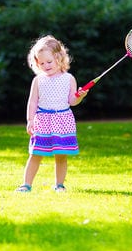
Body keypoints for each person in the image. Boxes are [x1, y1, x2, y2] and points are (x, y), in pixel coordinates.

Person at [15, 35, 89, 193]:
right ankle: (26, 185)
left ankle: (59, 185)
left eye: (49, 61)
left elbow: (72, 101)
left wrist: (80, 95)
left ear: (59, 58)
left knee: (61, 155)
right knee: (35, 153)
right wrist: (30, 120)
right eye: (41, 63)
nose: (45, 65)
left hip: (62, 120)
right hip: (42, 120)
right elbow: (33, 102)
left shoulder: (69, 78)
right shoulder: (38, 80)